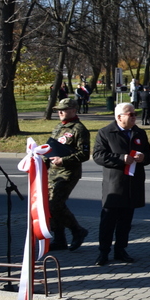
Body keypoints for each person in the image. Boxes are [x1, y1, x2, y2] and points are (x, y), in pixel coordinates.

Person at [93, 103, 150, 266]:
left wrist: (143, 158)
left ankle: (121, 250)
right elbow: (98, 156)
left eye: (134, 114)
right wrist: (121, 159)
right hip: (115, 185)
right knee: (108, 221)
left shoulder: (139, 132)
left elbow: (148, 154)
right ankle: (103, 252)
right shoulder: (105, 132)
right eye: (130, 114)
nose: (134, 117)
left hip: (133, 184)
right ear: (119, 117)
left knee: (126, 222)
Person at [47, 98, 90, 252]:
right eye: (58, 110)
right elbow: (52, 148)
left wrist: (63, 160)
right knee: (50, 205)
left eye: (63, 110)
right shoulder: (59, 127)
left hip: (67, 173)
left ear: (73, 110)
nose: (60, 112)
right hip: (52, 172)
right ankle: (59, 239)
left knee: (55, 204)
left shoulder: (79, 129)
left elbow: (84, 154)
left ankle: (77, 230)